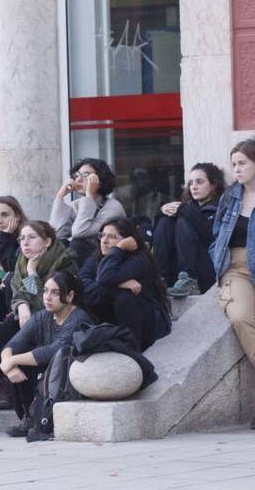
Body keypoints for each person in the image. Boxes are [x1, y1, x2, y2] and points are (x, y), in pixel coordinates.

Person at [0, 221, 77, 408]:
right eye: (22, 238)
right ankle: (12, 385)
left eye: (32, 237)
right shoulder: (22, 261)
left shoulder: (64, 262)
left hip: (56, 321)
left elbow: (47, 303)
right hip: (32, 318)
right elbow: (17, 291)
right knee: (9, 327)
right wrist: (22, 305)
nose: (25, 243)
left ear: (47, 241)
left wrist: (32, 273)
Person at [0, 271, 93, 437]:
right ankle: (29, 417)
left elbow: (53, 351)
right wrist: (9, 365)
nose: (48, 297)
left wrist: (11, 360)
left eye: (55, 293)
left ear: (70, 295)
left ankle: (41, 417)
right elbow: (13, 344)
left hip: (69, 378)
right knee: (18, 362)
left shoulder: (79, 318)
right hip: (47, 373)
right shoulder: (43, 316)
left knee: (27, 360)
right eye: (45, 291)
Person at [210, 139, 255, 430]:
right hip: (237, 270)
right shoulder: (230, 197)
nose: (236, 169)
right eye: (234, 163)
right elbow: (217, 234)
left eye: (243, 163)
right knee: (240, 317)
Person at [79, 218, 171, 351]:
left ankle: (132, 349)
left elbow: (105, 277)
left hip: (148, 324)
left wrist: (118, 248)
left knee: (124, 296)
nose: (104, 241)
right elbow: (81, 283)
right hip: (116, 320)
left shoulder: (139, 260)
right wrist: (117, 285)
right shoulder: (97, 257)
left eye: (112, 237)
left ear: (128, 241)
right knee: (89, 296)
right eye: (102, 235)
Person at [153, 163, 225, 297]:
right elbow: (158, 233)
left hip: (205, 271)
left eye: (200, 182)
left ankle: (190, 280)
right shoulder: (188, 207)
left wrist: (184, 211)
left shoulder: (221, 207)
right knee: (165, 222)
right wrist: (163, 211)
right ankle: (160, 279)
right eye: (191, 183)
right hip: (178, 273)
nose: (194, 187)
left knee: (183, 221)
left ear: (213, 184)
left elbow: (210, 236)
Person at [50, 158, 126, 264]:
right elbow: (56, 234)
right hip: (84, 262)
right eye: (77, 175)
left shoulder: (113, 207)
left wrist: (89, 196)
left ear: (99, 181)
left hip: (106, 261)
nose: (79, 179)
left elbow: (80, 232)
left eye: (85, 175)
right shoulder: (77, 204)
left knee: (77, 244)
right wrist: (60, 196)